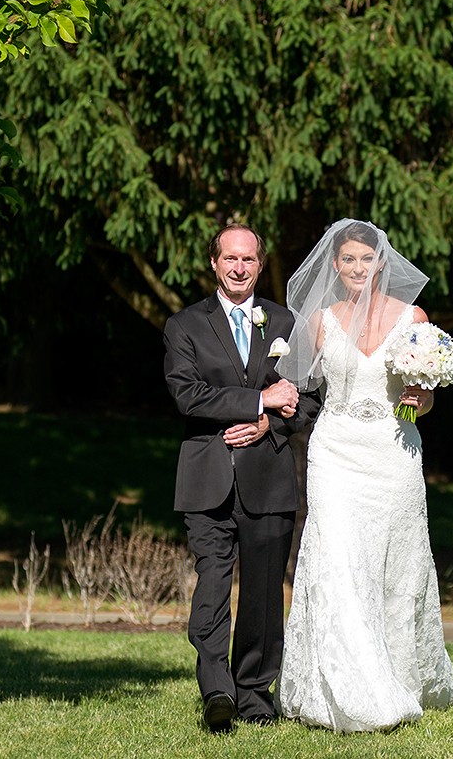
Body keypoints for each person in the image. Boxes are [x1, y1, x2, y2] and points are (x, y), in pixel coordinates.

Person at [273, 218, 453, 732]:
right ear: (335, 266)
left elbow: (421, 400)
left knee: (395, 567)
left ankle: (397, 676)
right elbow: (290, 389)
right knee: (338, 560)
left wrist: (422, 400)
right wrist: (255, 410)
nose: (358, 268)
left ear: (381, 262)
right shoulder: (319, 321)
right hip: (336, 452)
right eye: (348, 260)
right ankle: (343, 691)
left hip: (393, 450)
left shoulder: (414, 317)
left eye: (367, 258)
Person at [163, 223, 317, 732]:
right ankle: (217, 691)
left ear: (260, 263)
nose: (239, 268)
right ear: (214, 263)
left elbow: (311, 398)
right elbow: (189, 396)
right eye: (230, 258)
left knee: (264, 592)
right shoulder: (183, 326)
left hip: (269, 477)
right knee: (212, 584)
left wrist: (269, 420)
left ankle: (254, 693)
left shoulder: (285, 322)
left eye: (248, 260)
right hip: (207, 478)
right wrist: (259, 398)